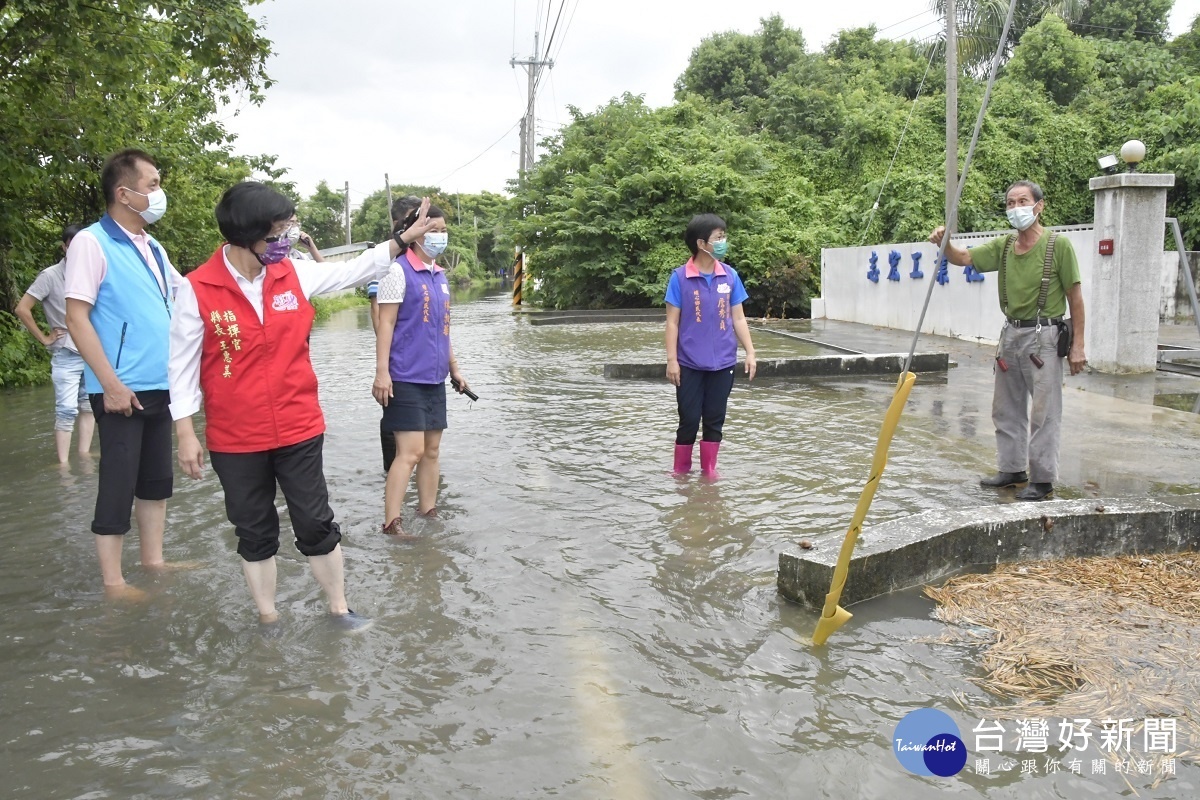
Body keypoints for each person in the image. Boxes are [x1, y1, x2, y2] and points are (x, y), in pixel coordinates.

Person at [168, 182, 420, 628]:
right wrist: (185, 433)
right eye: (277, 232)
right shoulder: (196, 288)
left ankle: (339, 608)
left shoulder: (294, 273)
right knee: (254, 529)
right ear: (246, 235)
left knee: (315, 521)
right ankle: (268, 618)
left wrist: (401, 239)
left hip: (298, 425)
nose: (286, 240)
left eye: (288, 230)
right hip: (235, 436)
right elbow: (182, 366)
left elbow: (353, 270)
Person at [65, 148, 183, 599]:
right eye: (152, 186)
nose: (159, 194)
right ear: (124, 193)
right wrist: (110, 384)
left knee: (155, 480)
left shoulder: (153, 246)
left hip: (160, 383)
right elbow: (77, 318)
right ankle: (113, 582)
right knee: (117, 480)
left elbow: (184, 295)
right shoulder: (91, 242)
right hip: (120, 388)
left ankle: (153, 561)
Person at [929, 180, 1087, 501]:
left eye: (1023, 201)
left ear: (1039, 206)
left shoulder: (1059, 247)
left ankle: (1042, 480)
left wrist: (1078, 345)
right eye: (1011, 203)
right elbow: (963, 257)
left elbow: (1076, 298)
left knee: (1044, 412)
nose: (1016, 208)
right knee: (1006, 407)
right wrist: (943, 243)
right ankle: (1012, 468)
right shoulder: (1003, 247)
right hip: (1011, 335)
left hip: (1045, 336)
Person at [372, 202, 471, 538]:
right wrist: (382, 373)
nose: (439, 236)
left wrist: (454, 369)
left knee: (431, 451)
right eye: (433, 230)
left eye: (443, 231)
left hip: (434, 378)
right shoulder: (397, 271)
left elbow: (443, 328)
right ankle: (391, 523)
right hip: (405, 377)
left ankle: (429, 512)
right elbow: (384, 323)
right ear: (415, 234)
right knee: (409, 453)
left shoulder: (440, 276)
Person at [664, 213, 757, 480]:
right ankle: (680, 473)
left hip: (724, 362)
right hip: (689, 363)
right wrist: (672, 360)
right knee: (690, 420)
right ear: (701, 243)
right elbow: (672, 323)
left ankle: (709, 474)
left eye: (724, 237)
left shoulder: (729, 276)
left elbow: (738, 317)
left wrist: (750, 352)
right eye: (719, 237)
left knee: (715, 420)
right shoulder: (680, 278)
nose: (723, 242)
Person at [14, 223, 96, 464]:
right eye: (74, 245)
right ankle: (63, 466)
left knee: (88, 406)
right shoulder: (50, 276)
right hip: (66, 352)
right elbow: (22, 308)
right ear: (64, 247)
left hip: (91, 351)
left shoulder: (91, 273)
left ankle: (83, 455)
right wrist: (44, 338)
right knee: (66, 410)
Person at [367, 195, 422, 474]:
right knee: (396, 432)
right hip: (398, 365)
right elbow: (380, 322)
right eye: (416, 218)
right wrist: (384, 369)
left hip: (422, 367)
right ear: (399, 223)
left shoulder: (424, 260)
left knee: (423, 445)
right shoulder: (387, 260)